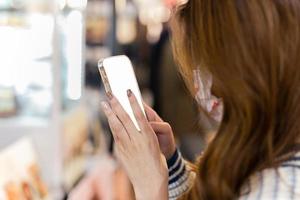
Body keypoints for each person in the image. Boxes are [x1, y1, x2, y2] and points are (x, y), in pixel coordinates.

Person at [101, 0, 300, 199]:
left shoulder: (279, 189)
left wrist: (150, 189)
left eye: (207, 63)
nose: (198, 87)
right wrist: (171, 163)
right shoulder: (261, 153)